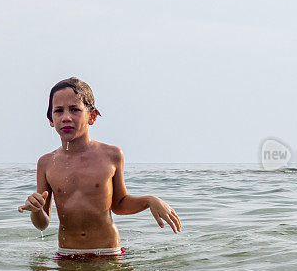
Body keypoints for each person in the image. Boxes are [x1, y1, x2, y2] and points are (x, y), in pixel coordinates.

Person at [18, 77, 182, 258]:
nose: (66, 117)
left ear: (92, 116)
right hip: (67, 255)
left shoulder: (111, 155)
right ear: (50, 119)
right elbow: (42, 223)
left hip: (109, 253)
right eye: (58, 111)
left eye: (75, 110)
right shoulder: (46, 163)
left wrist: (149, 200)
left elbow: (119, 204)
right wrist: (36, 209)